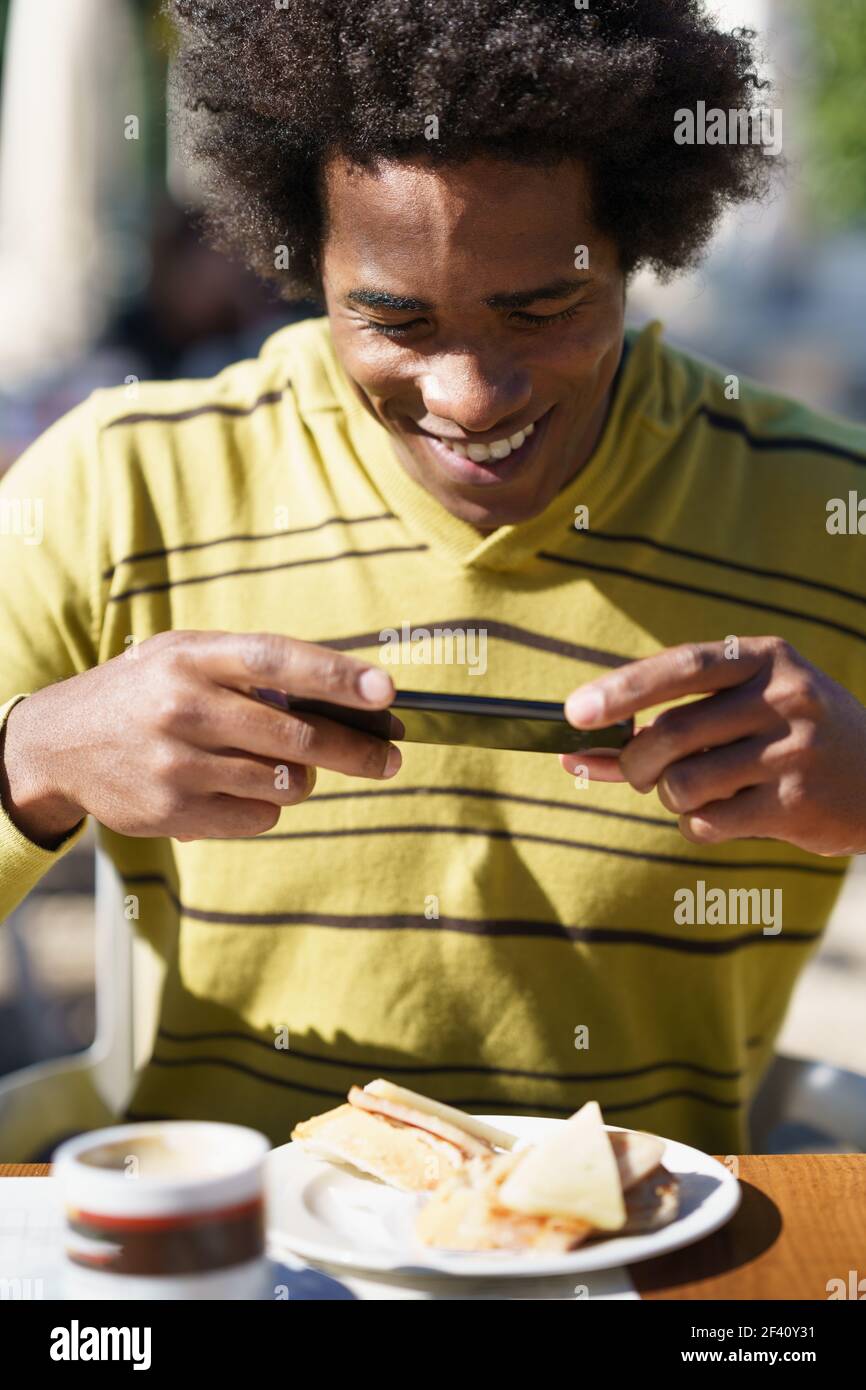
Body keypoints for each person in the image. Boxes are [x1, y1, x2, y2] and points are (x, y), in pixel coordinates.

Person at [1, 0, 865, 1154]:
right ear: (298, 257)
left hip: (648, 1264)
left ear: (637, 246)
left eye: (543, 308)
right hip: (233, 1256)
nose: (468, 396)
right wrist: (34, 762)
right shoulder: (122, 485)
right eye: (394, 321)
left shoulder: (825, 512)